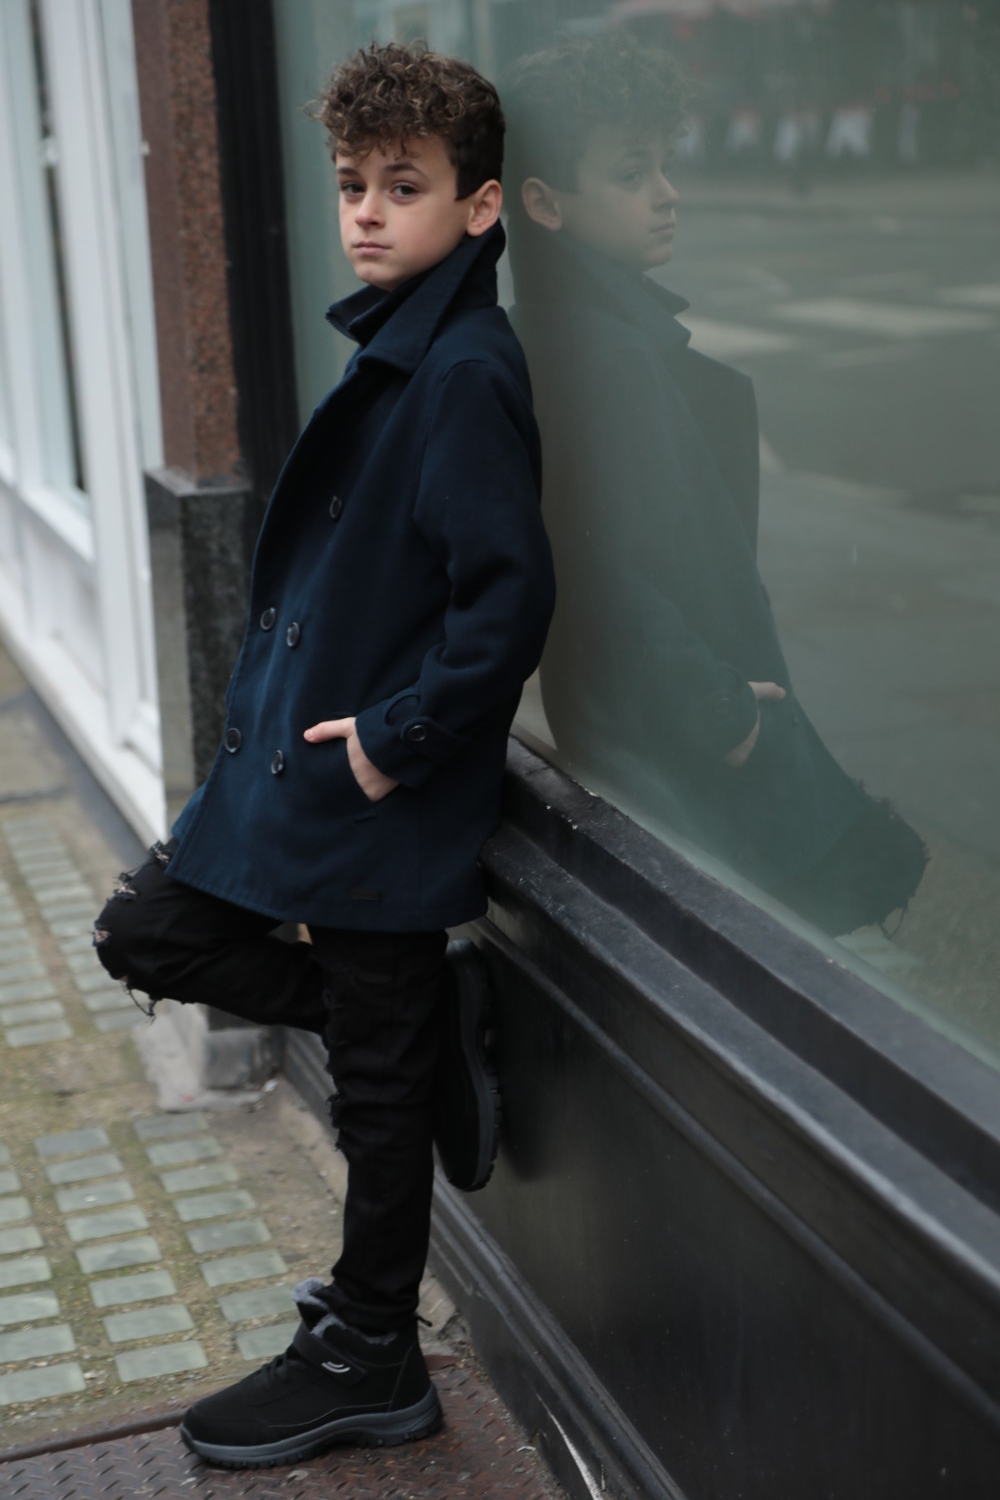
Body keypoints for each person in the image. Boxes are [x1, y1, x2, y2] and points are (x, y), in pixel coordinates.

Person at [92, 42, 554, 1469]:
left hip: (373, 791)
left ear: (479, 207)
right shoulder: (403, 343)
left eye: (403, 186)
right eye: (354, 184)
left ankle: (368, 1353)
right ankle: (418, 1039)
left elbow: (507, 599)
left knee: (374, 1097)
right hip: (302, 775)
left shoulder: (463, 366)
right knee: (148, 931)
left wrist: (397, 744)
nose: (365, 211)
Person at [504, 34, 926, 937]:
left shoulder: (557, 329)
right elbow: (600, 573)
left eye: (666, 164)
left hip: (630, 734)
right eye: (632, 173)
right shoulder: (606, 356)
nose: (668, 192)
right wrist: (721, 714)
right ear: (543, 202)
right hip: (675, 748)